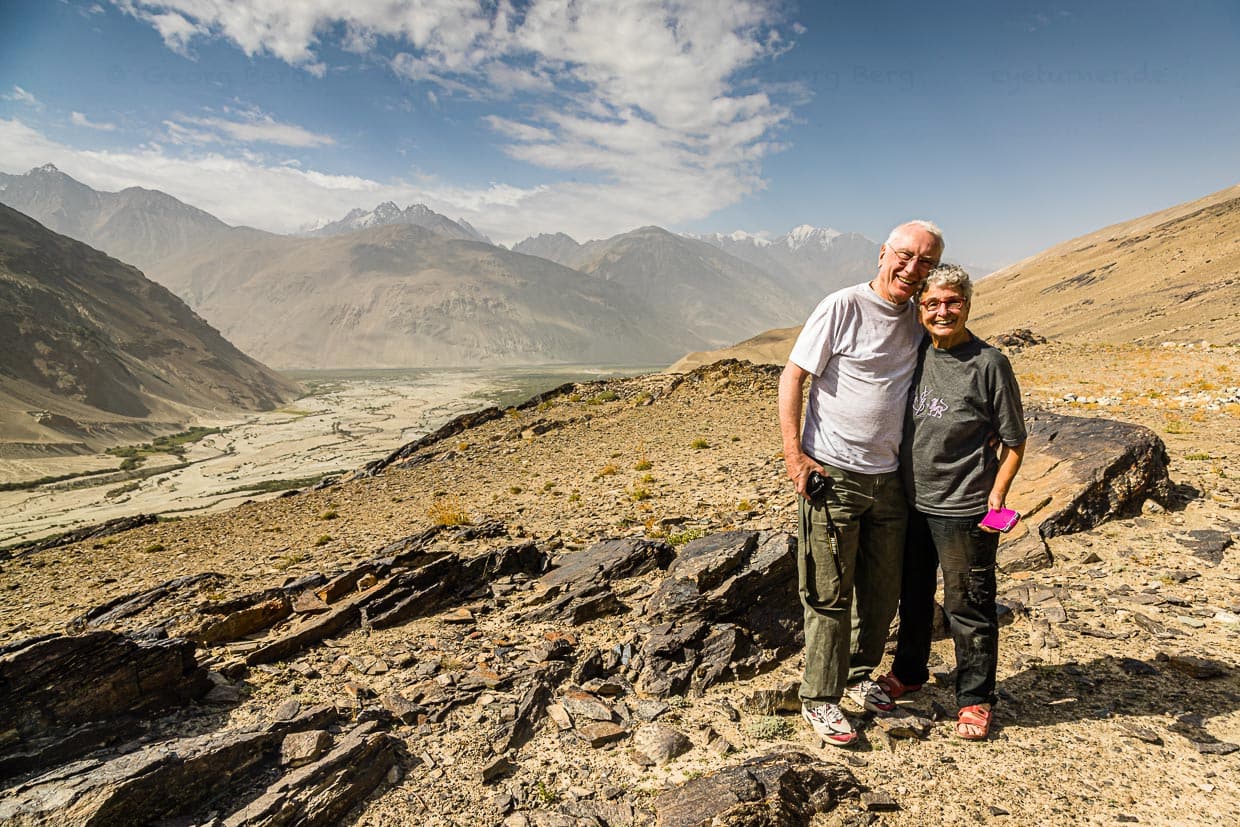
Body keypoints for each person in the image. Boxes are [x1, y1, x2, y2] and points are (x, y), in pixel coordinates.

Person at [779, 220, 945, 746]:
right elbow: (793, 376)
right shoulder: (842, 306)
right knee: (828, 592)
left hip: (891, 480)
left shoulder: (919, 319)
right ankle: (820, 697)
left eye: (926, 262)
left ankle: (854, 676)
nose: (912, 269)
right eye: (905, 256)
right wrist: (795, 455)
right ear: (882, 253)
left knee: (879, 592)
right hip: (835, 474)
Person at [877, 264, 1026, 741]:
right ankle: (910, 672)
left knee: (970, 606)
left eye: (953, 302)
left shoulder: (989, 364)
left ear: (967, 304)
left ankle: (976, 698)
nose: (943, 311)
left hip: (964, 509)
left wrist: (996, 497)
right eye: (933, 303)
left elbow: (1014, 442)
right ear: (920, 309)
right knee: (914, 596)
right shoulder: (916, 352)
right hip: (912, 503)